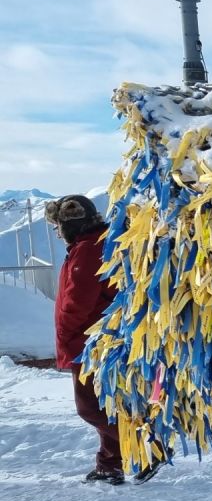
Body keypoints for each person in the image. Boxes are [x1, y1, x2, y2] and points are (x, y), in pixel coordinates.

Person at [46, 194, 123, 484]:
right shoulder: (94, 244)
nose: (57, 232)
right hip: (100, 341)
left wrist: (66, 334)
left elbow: (78, 300)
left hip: (89, 343)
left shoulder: (87, 250)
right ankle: (110, 464)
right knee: (108, 406)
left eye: (58, 226)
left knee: (90, 407)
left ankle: (147, 447)